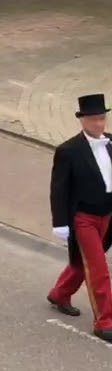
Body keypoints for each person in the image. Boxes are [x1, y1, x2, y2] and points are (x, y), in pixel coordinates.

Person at [46, 93, 112, 341]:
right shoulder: (68, 151)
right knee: (99, 269)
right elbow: (59, 189)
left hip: (108, 215)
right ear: (82, 120)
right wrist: (60, 222)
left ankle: (60, 293)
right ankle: (105, 321)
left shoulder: (111, 143)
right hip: (83, 218)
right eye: (93, 119)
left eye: (102, 118)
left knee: (84, 260)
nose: (99, 124)